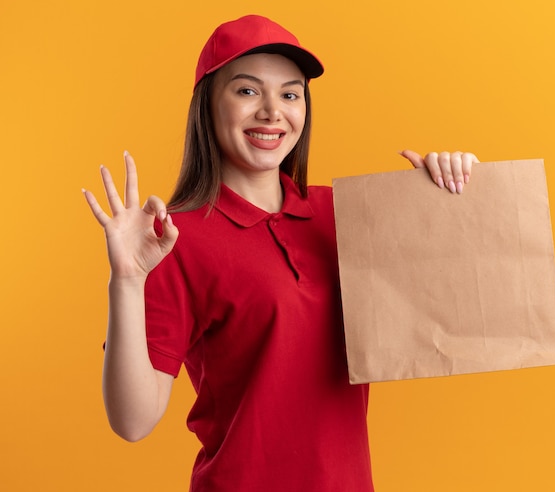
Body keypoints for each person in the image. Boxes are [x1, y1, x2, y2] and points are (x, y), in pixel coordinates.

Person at [83, 14, 478, 492]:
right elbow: (133, 421)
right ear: (207, 104)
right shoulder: (172, 239)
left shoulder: (342, 214)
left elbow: (447, 315)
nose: (273, 112)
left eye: (290, 94)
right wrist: (126, 279)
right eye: (248, 91)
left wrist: (452, 193)